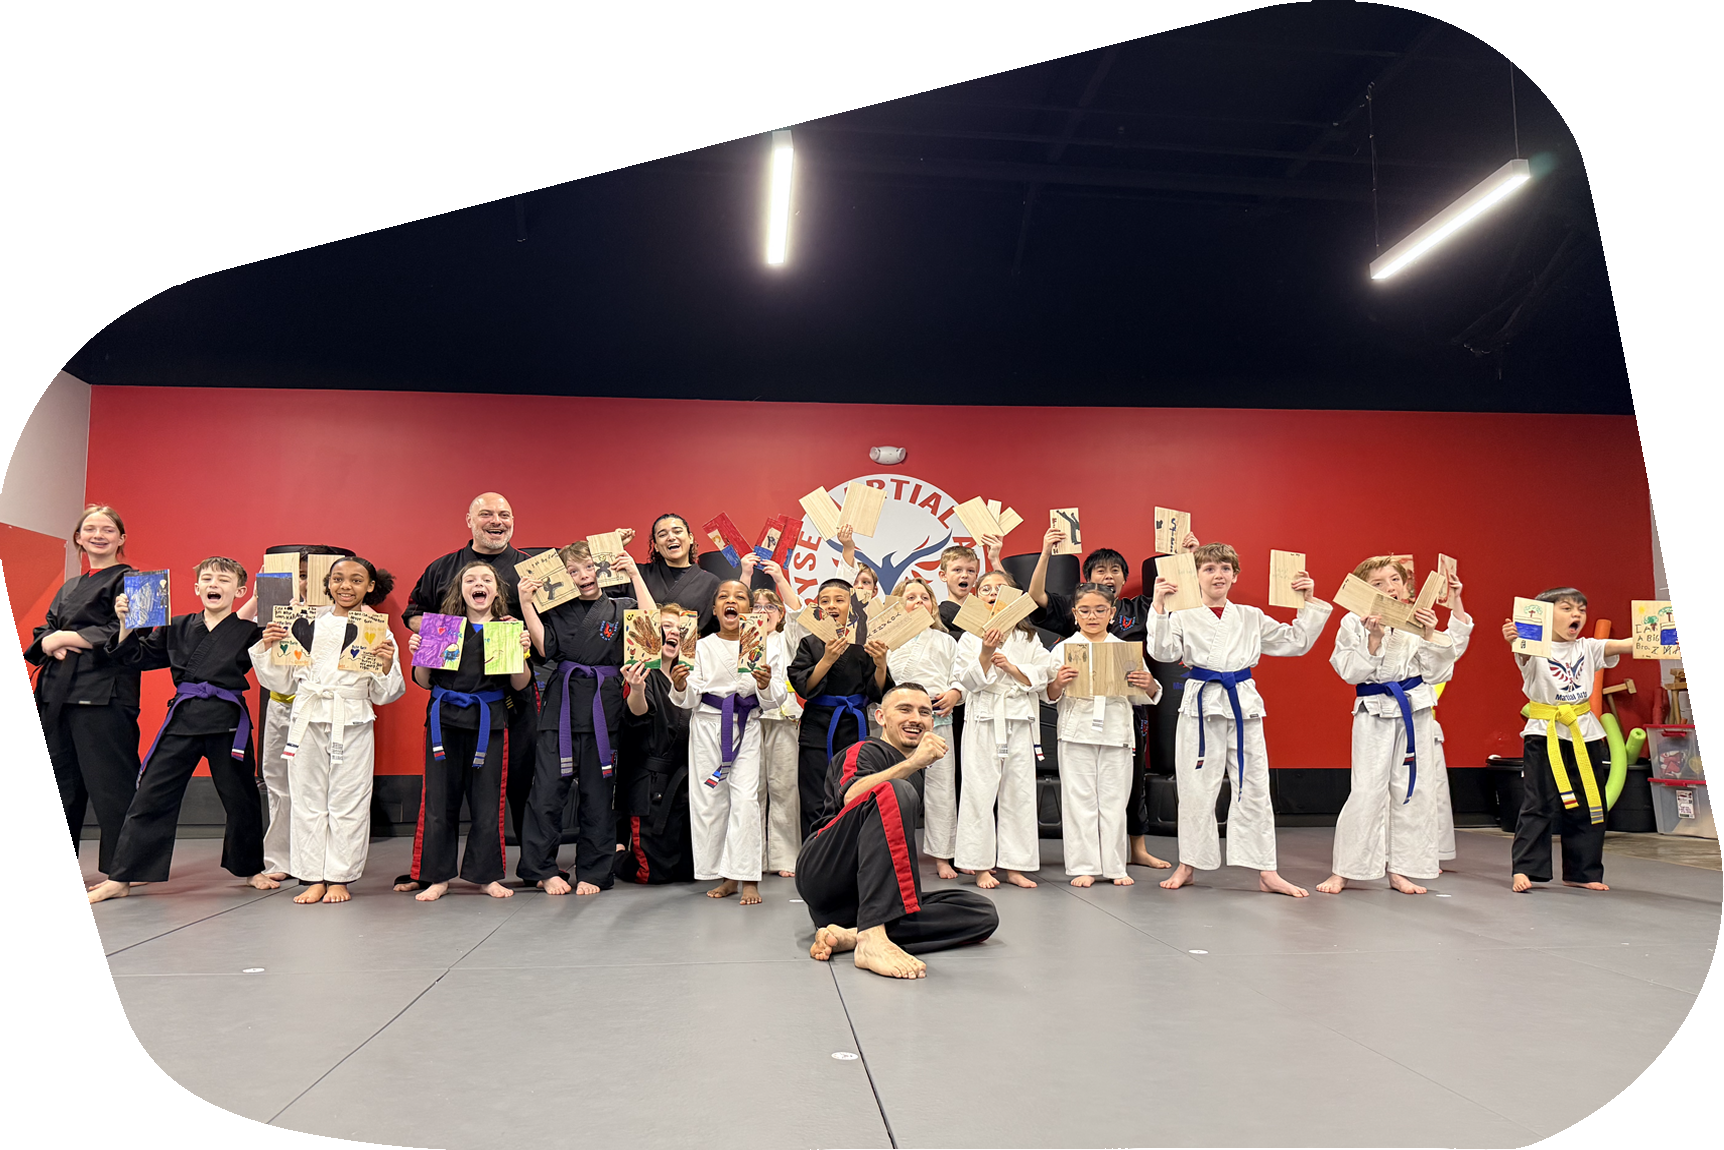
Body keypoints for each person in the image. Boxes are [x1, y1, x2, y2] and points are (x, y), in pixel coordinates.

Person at [400, 494, 590, 868]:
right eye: (486, 513)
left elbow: (561, 626)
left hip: (515, 692)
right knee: (441, 789)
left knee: (527, 781)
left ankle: (536, 868)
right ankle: (429, 871)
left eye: (504, 514)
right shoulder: (442, 568)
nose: (496, 520)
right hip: (454, 689)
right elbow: (414, 614)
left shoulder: (532, 568)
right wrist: (447, 634)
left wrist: (522, 637)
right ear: (469, 519)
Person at [1149, 542, 1331, 897]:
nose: (1218, 575)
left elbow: (1296, 641)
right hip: (1201, 706)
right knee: (1195, 786)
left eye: (1225, 568)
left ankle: (1267, 869)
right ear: (1195, 576)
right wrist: (1158, 606)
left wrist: (1308, 601)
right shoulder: (1182, 614)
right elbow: (1162, 652)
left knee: (1255, 784)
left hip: (1243, 704)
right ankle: (1189, 862)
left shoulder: (1250, 615)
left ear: (1235, 575)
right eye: (1209, 569)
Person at [86, 557, 268, 902]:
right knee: (151, 795)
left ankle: (250, 869)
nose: (215, 585)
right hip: (183, 717)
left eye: (225, 580)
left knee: (241, 797)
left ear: (240, 591)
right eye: (208, 579)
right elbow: (134, 658)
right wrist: (125, 624)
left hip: (227, 720)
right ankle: (122, 876)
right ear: (197, 587)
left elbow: (277, 665)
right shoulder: (177, 626)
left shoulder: (251, 632)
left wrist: (278, 632)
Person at [1026, 522, 1199, 870]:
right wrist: (1046, 550)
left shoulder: (1140, 609)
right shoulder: (1071, 621)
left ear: (1123, 579)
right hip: (1081, 718)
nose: (1108, 576)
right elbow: (1035, 599)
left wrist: (1186, 558)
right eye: (1100, 570)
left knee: (1128, 784)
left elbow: (1179, 597)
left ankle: (1129, 852)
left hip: (1126, 711)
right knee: (1084, 794)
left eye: (1115, 570)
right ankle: (1087, 862)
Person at [799, 683, 999, 979]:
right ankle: (873, 939)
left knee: (980, 912)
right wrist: (912, 764)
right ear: (880, 717)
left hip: (861, 904)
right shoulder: (864, 750)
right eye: (904, 709)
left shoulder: (912, 771)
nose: (916, 718)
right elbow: (854, 796)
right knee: (893, 789)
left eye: (924, 712)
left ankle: (856, 935)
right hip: (827, 874)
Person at [251, 555, 405, 904]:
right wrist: (269, 646)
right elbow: (283, 681)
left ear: (370, 586)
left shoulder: (377, 628)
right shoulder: (306, 621)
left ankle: (339, 877)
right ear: (328, 583)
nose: (345, 586)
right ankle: (312, 876)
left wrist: (384, 665)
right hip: (307, 716)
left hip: (352, 719)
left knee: (348, 799)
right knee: (306, 799)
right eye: (338, 579)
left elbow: (386, 692)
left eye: (355, 580)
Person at [1317, 558, 1467, 896]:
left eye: (1395, 579)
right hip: (1373, 710)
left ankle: (1401, 870)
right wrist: (1373, 640)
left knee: (1412, 789)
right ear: (1365, 591)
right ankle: (1345, 870)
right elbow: (1349, 672)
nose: (1390, 587)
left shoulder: (1419, 617)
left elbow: (1438, 672)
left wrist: (1429, 635)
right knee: (1367, 789)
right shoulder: (1352, 622)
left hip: (1415, 710)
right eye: (1379, 582)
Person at [517, 542, 655, 895]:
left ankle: (595, 871)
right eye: (573, 572)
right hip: (560, 710)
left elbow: (651, 628)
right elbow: (545, 648)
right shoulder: (558, 610)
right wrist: (526, 604)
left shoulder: (621, 606)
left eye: (589, 568)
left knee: (598, 794)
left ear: (603, 569)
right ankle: (542, 869)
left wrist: (635, 574)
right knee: (546, 793)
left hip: (603, 711)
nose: (583, 577)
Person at [396, 562, 534, 901]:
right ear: (460, 590)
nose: (479, 584)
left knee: (488, 803)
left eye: (487, 579)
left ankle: (486, 875)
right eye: (470, 579)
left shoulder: (507, 629)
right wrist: (421, 655)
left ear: (497, 591)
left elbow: (521, 684)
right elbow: (423, 682)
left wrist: (519, 651)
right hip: (445, 721)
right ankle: (437, 876)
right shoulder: (443, 628)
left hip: (490, 721)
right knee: (439, 801)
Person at [28, 505, 140, 881]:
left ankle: (122, 870)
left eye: (107, 529)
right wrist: (50, 642)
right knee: (62, 784)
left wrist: (66, 637)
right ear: (78, 537)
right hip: (57, 692)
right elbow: (43, 630)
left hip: (104, 694)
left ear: (121, 538)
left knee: (110, 783)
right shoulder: (70, 586)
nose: (98, 535)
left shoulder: (133, 580)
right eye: (89, 528)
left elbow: (132, 633)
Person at [1503, 587, 1633, 893]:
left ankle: (1582, 870)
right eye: (1566, 608)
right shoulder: (1534, 646)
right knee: (1539, 802)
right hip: (1545, 733)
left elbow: (1625, 644)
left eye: (1581, 610)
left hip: (1584, 731)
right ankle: (1525, 868)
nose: (1576, 615)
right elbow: (1522, 652)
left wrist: (1661, 639)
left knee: (1591, 802)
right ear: (1547, 616)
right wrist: (1515, 638)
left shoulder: (1588, 647)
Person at [670, 579, 785, 905]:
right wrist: (679, 684)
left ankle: (749, 876)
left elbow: (775, 697)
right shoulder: (700, 645)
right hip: (707, 726)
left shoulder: (765, 644)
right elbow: (689, 696)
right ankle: (726, 874)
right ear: (715, 609)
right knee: (710, 800)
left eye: (739, 596)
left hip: (745, 726)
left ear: (749, 609)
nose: (730, 601)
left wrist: (763, 685)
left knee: (747, 800)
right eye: (723, 597)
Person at [1043, 583, 1162, 887]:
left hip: (1116, 733)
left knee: (1113, 801)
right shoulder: (1063, 649)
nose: (1092, 616)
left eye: (1099, 610)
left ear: (1111, 613)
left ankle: (1115, 865)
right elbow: (1049, 695)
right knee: (1079, 801)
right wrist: (1058, 681)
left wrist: (1146, 682)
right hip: (1076, 733)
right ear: (1074, 613)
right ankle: (1084, 866)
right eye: (1084, 610)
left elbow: (1146, 694)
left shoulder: (1124, 651)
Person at [953, 570, 1055, 890]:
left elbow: (1045, 671)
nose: (993, 592)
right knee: (978, 790)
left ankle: (1016, 865)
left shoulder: (1028, 636)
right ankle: (980, 865)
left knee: (1020, 791)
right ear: (978, 597)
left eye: (1000, 588)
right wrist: (984, 653)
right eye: (985, 588)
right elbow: (964, 681)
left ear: (1014, 595)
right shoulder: (970, 635)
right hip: (984, 717)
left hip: (1019, 717)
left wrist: (1012, 667)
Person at [257, 545, 350, 887]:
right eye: (297, 575)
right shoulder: (276, 611)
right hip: (284, 704)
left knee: (328, 790)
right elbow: (272, 668)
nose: (302, 583)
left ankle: (325, 862)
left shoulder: (342, 616)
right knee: (280, 784)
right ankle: (281, 857)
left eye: (310, 577)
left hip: (328, 711)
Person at [788, 577, 892, 839]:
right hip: (818, 726)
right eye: (825, 601)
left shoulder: (865, 642)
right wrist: (826, 660)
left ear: (852, 605)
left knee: (854, 789)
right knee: (814, 794)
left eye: (839, 600)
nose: (832, 605)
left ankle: (850, 850)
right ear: (817, 608)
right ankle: (815, 851)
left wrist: (880, 664)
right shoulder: (810, 643)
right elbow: (804, 687)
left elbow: (878, 692)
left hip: (854, 724)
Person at [885, 575, 962, 877]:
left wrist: (955, 692)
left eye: (924, 597)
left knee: (942, 788)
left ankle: (943, 855)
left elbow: (960, 675)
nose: (918, 602)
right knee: (895, 786)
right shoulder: (888, 641)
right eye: (911, 597)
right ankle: (894, 851)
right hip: (899, 725)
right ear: (899, 606)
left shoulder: (945, 641)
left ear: (933, 606)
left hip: (937, 719)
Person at [615, 605, 695, 884]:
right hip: (651, 786)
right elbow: (637, 713)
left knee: (689, 872)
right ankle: (613, 853)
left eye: (679, 629)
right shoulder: (640, 675)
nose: (673, 632)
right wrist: (636, 689)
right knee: (651, 874)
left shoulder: (691, 679)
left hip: (685, 785)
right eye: (665, 627)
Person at [748, 561, 804, 877]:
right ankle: (753, 855)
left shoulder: (787, 640)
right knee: (752, 789)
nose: (763, 611)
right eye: (756, 606)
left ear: (779, 614)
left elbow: (799, 615)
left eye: (770, 607)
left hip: (784, 718)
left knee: (784, 787)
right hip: (751, 718)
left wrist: (781, 578)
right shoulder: (741, 640)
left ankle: (784, 857)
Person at [617, 513, 722, 633]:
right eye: (662, 534)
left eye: (677, 531)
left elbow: (720, 628)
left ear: (690, 538)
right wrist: (613, 545)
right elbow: (597, 591)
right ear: (656, 546)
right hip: (640, 648)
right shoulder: (635, 572)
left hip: (691, 650)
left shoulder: (710, 583)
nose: (671, 537)